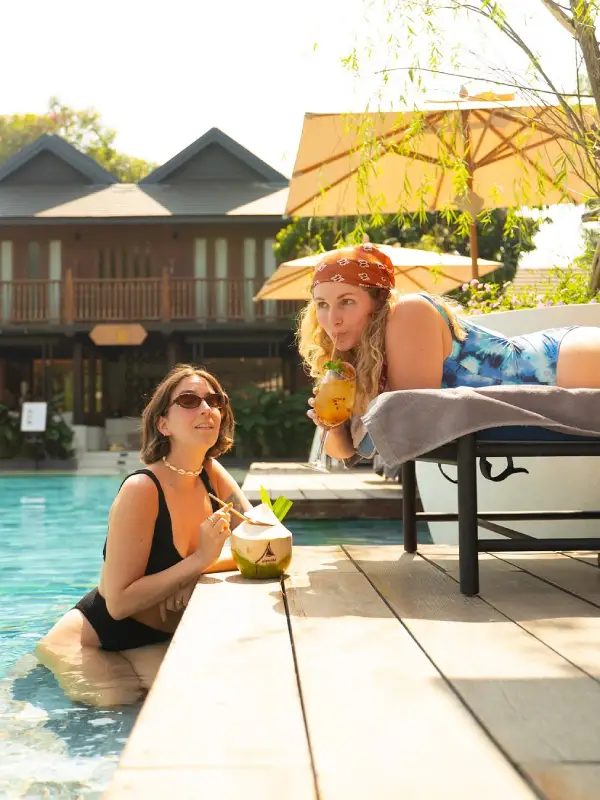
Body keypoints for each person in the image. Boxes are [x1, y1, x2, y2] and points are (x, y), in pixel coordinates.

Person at [36, 365, 253, 707]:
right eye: (189, 400)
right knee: (117, 704)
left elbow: (262, 544)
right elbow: (118, 604)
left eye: (215, 401)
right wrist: (197, 561)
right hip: (94, 639)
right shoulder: (142, 489)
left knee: (201, 694)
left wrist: (195, 573)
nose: (206, 408)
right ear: (163, 424)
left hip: (152, 641)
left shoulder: (211, 474)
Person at [298, 243, 600, 464]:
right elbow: (345, 453)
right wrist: (332, 425)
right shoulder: (356, 359)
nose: (332, 319)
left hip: (562, 361)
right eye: (322, 305)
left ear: (377, 301)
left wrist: (352, 410)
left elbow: (404, 416)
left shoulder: (408, 312)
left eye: (347, 302)